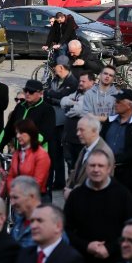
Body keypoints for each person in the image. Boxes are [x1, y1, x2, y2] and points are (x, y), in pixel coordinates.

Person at [64, 149, 132, 263]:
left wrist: (109, 248)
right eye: (92, 165)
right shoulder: (76, 196)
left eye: (101, 166)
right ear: (86, 168)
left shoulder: (123, 194)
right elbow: (66, 229)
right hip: (83, 258)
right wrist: (86, 246)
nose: (96, 169)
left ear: (109, 169)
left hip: (116, 259)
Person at [101, 90, 132, 208]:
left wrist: (114, 160)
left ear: (129, 105)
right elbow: (101, 141)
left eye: (119, 102)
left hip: (129, 173)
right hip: (106, 171)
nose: (115, 104)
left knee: (129, 206)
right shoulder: (110, 121)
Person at [0, 79, 54, 160]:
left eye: (31, 92)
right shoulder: (20, 107)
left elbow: (45, 133)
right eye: (26, 90)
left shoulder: (47, 109)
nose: (27, 94)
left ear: (40, 93)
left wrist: (27, 148)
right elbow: (8, 130)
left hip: (38, 157)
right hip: (19, 155)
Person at [44, 55, 78, 190]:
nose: (53, 68)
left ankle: (71, 183)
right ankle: (58, 182)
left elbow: (60, 98)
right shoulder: (55, 79)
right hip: (54, 122)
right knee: (54, 154)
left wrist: (52, 96)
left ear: (61, 67)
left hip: (65, 123)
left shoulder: (72, 82)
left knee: (67, 155)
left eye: (55, 66)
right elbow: (48, 94)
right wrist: (53, 96)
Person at [65, 115, 115, 199]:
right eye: (77, 130)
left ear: (94, 131)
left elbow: (98, 185)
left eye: (82, 130)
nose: (78, 134)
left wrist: (73, 193)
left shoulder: (103, 153)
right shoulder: (85, 148)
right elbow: (76, 172)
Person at [15, 204, 84, 263]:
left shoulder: (72, 258)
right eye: (32, 221)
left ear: (58, 226)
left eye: (40, 220)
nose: (33, 226)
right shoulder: (25, 254)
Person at [60, 71, 95, 173]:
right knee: (71, 168)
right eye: (80, 81)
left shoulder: (92, 94)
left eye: (83, 81)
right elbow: (63, 102)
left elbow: (77, 110)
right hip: (69, 138)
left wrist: (70, 106)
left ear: (92, 82)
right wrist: (74, 103)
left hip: (82, 141)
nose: (80, 83)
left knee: (82, 169)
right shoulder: (77, 93)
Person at [5, 119, 51, 196]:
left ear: (31, 133)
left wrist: (21, 194)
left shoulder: (41, 154)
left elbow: (38, 182)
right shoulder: (17, 154)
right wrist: (13, 192)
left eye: (21, 133)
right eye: (17, 133)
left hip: (35, 198)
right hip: (18, 197)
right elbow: (10, 176)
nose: (18, 136)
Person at [7, 176, 41, 248]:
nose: (12, 203)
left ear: (32, 196)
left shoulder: (48, 225)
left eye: (16, 197)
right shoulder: (19, 223)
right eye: (11, 198)